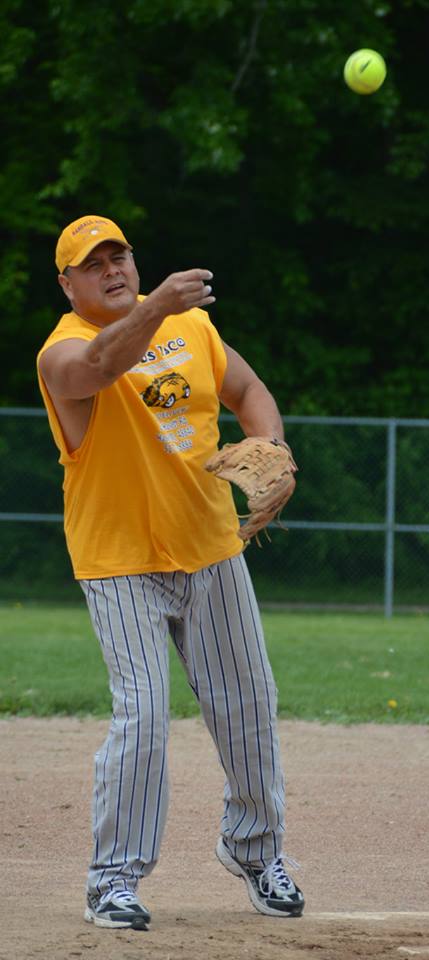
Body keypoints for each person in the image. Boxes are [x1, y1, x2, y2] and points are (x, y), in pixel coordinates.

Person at [37, 214, 304, 930]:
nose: (111, 268)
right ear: (67, 284)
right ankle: (113, 880)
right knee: (144, 718)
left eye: (118, 254)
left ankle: (254, 850)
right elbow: (98, 368)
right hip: (120, 561)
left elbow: (249, 392)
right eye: (92, 263)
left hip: (211, 547)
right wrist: (156, 304)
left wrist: (268, 446)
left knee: (247, 705)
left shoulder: (196, 333)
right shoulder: (59, 352)